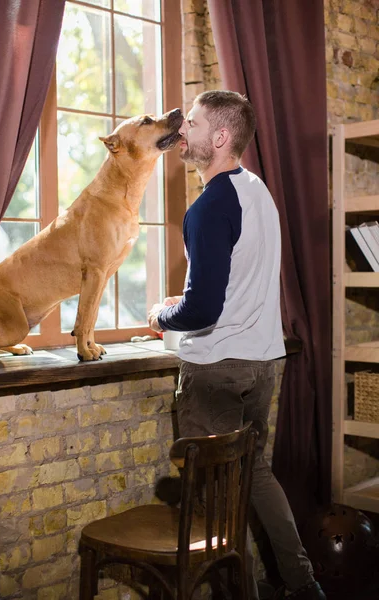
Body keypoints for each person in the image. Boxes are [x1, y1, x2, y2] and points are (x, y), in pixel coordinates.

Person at [147, 90, 325, 600]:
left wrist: (162, 314)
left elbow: (202, 310)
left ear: (220, 138)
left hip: (217, 371)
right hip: (262, 364)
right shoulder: (259, 192)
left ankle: (234, 592)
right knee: (256, 477)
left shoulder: (207, 208)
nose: (183, 132)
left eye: (194, 125)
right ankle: (304, 584)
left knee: (214, 497)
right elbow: (242, 281)